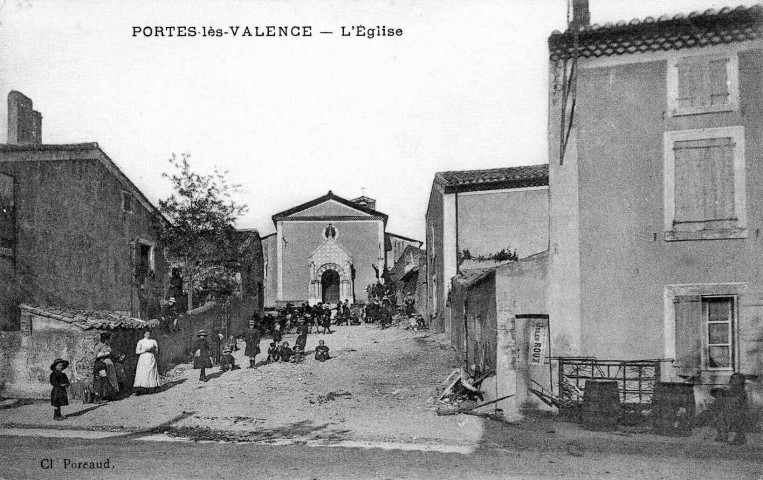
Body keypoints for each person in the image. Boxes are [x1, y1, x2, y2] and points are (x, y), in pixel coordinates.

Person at [713, 373, 749, 445]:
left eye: (737, 379)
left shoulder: (741, 390)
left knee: (737, 421)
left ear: (741, 381)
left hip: (739, 411)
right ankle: (723, 435)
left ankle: (740, 438)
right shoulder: (731, 389)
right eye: (732, 379)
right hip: (730, 410)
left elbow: (738, 400)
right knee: (720, 417)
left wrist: (727, 396)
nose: (734, 380)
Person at [93, 332, 120, 398]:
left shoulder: (107, 345)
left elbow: (111, 353)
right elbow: (95, 356)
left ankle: (113, 394)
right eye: (108, 339)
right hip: (102, 365)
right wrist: (104, 354)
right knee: (103, 379)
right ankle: (102, 395)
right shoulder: (98, 346)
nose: (110, 340)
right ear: (105, 339)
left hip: (109, 363)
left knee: (112, 379)